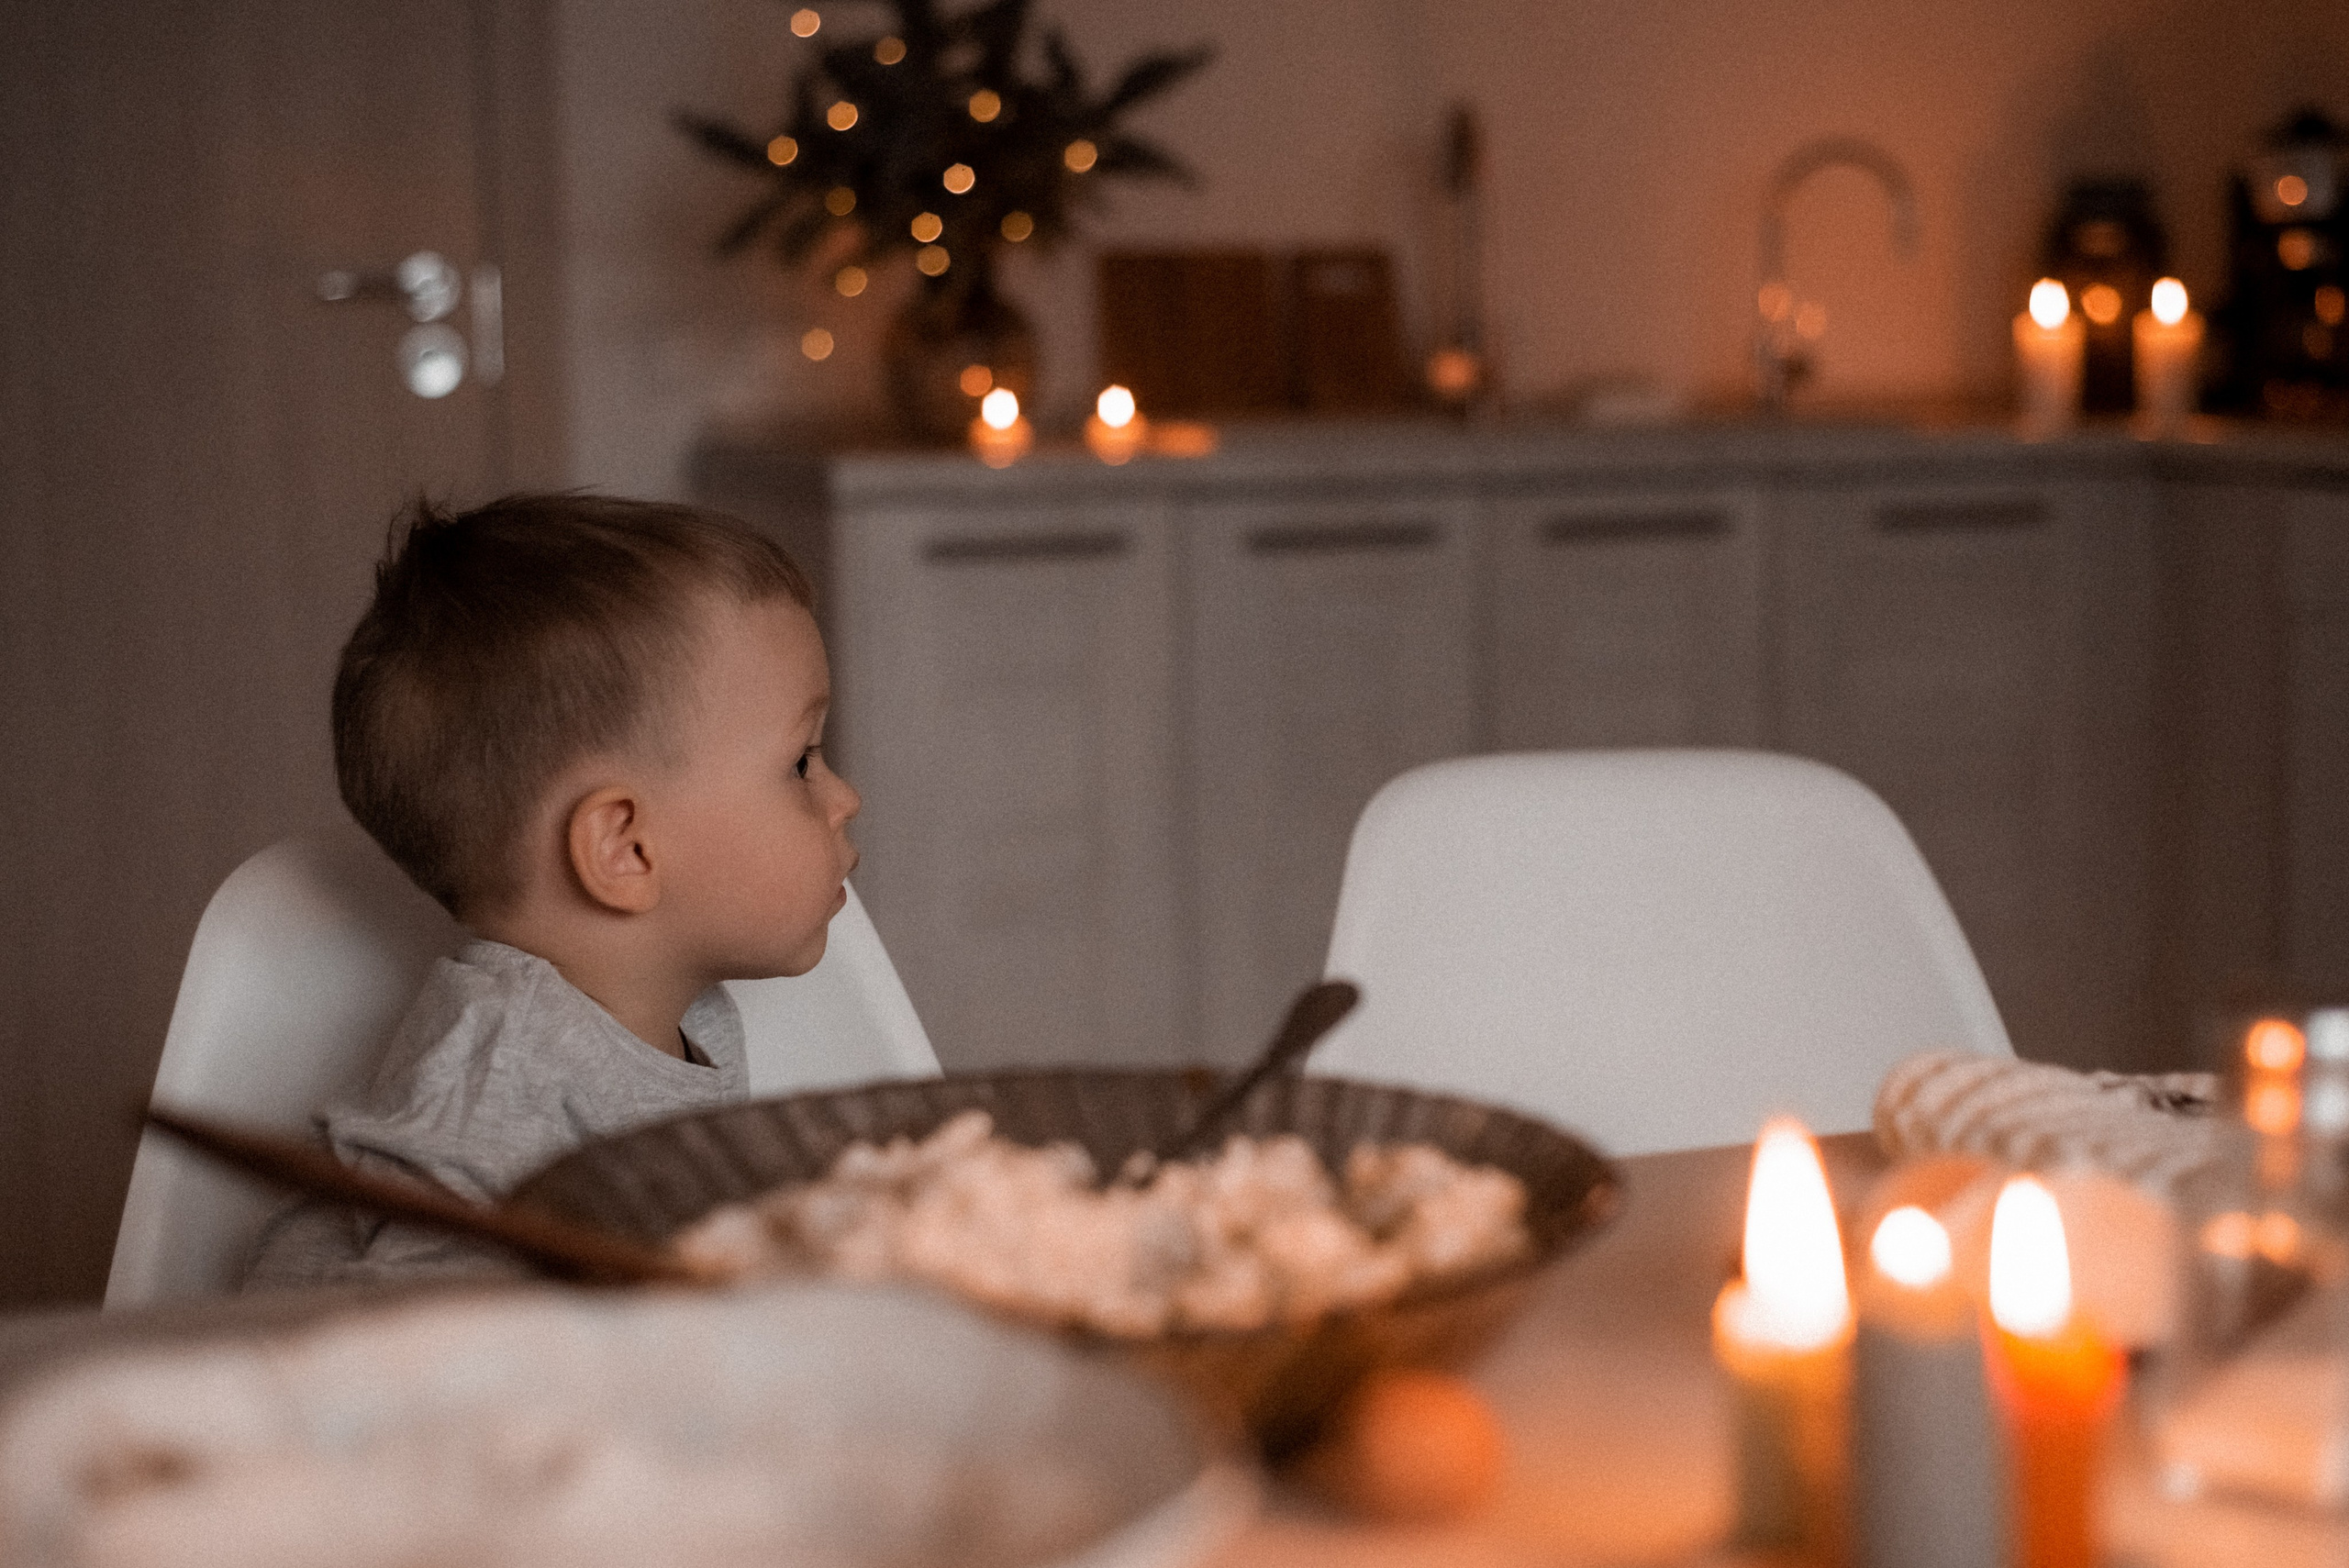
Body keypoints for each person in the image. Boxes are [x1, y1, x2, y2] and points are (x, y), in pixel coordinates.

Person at [244, 493, 859, 1285]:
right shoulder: (493, 1093)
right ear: (626, 848)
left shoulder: (683, 1012)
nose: (844, 797)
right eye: (802, 762)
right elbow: (421, 1367)